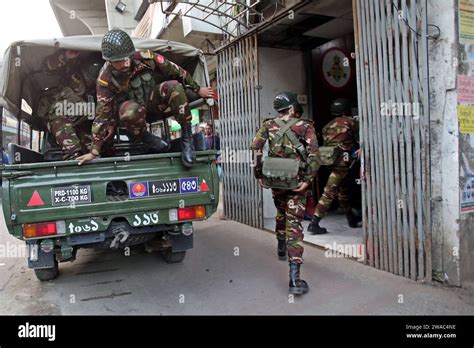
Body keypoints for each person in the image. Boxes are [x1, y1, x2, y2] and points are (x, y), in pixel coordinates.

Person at [76, 29, 214, 167]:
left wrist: (197, 88)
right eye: (119, 61)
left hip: (151, 102)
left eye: (126, 58)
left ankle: (187, 137)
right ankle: (144, 136)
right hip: (130, 115)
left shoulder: (144, 56)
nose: (125, 63)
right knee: (129, 110)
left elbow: (176, 70)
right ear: (110, 61)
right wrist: (94, 151)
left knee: (174, 87)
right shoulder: (105, 79)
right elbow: (102, 115)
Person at [251, 91, 320, 295]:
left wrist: (259, 174)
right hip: (296, 182)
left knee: (281, 213)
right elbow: (314, 155)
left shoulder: (267, 125)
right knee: (295, 224)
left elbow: (254, 148)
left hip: (275, 181)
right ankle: (294, 280)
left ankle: (281, 246)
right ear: (291, 108)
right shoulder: (305, 126)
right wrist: (308, 181)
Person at [307, 98, 361, 235]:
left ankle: (351, 217)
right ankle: (314, 223)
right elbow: (359, 138)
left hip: (332, 162)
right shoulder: (351, 122)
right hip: (345, 163)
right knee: (330, 192)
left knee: (342, 190)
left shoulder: (327, 126)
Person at [38, 50, 101, 160]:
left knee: (93, 151)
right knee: (73, 150)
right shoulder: (72, 69)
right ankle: (72, 161)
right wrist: (64, 56)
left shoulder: (106, 82)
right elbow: (46, 67)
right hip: (60, 117)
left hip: (85, 123)